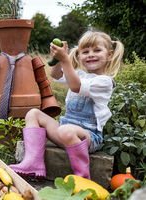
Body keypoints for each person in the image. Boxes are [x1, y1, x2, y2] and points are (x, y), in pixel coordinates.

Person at [9, 31, 124, 180]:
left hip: (87, 138)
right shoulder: (78, 74)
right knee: (33, 114)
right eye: (85, 52)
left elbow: (76, 86)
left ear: (109, 54)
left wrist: (65, 60)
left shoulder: (105, 82)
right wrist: (57, 59)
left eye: (97, 50)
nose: (90, 54)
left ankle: (82, 178)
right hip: (64, 132)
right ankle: (33, 163)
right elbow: (55, 75)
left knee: (65, 130)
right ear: (78, 56)